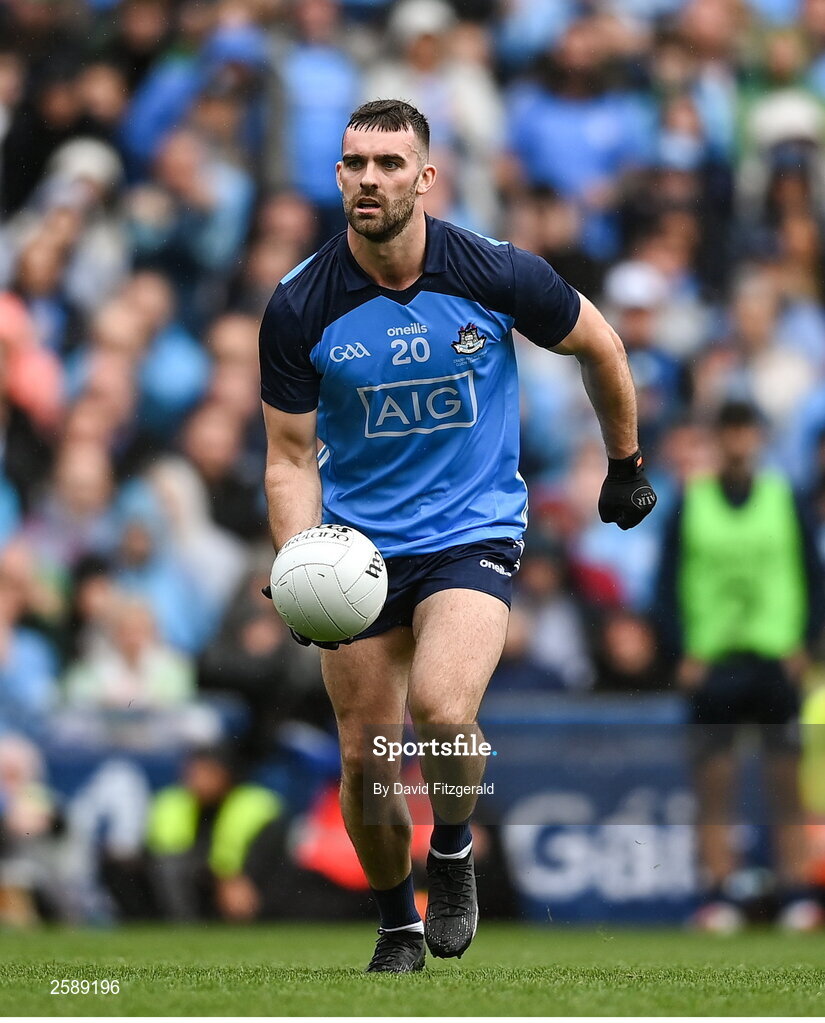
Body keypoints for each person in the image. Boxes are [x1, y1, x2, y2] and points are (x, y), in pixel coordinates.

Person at [258, 99, 656, 972]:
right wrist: (296, 561)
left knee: (441, 710)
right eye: (355, 163)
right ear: (337, 176)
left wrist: (623, 461)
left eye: (389, 164)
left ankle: (452, 851)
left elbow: (601, 345)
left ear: (424, 178)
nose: (370, 179)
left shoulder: (493, 270)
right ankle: (397, 924)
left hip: (470, 532)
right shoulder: (298, 306)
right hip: (355, 553)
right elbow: (289, 458)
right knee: (365, 760)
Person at [656, 400, 825, 932]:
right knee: (715, 784)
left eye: (745, 430)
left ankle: (797, 892)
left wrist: (806, 644)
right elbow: (666, 585)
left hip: (775, 657)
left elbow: (811, 574)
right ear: (717, 438)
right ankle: (721, 893)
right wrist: (680, 650)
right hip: (714, 660)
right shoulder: (693, 501)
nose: (737, 441)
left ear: (758, 437)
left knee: (785, 782)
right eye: (728, 431)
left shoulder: (783, 497)